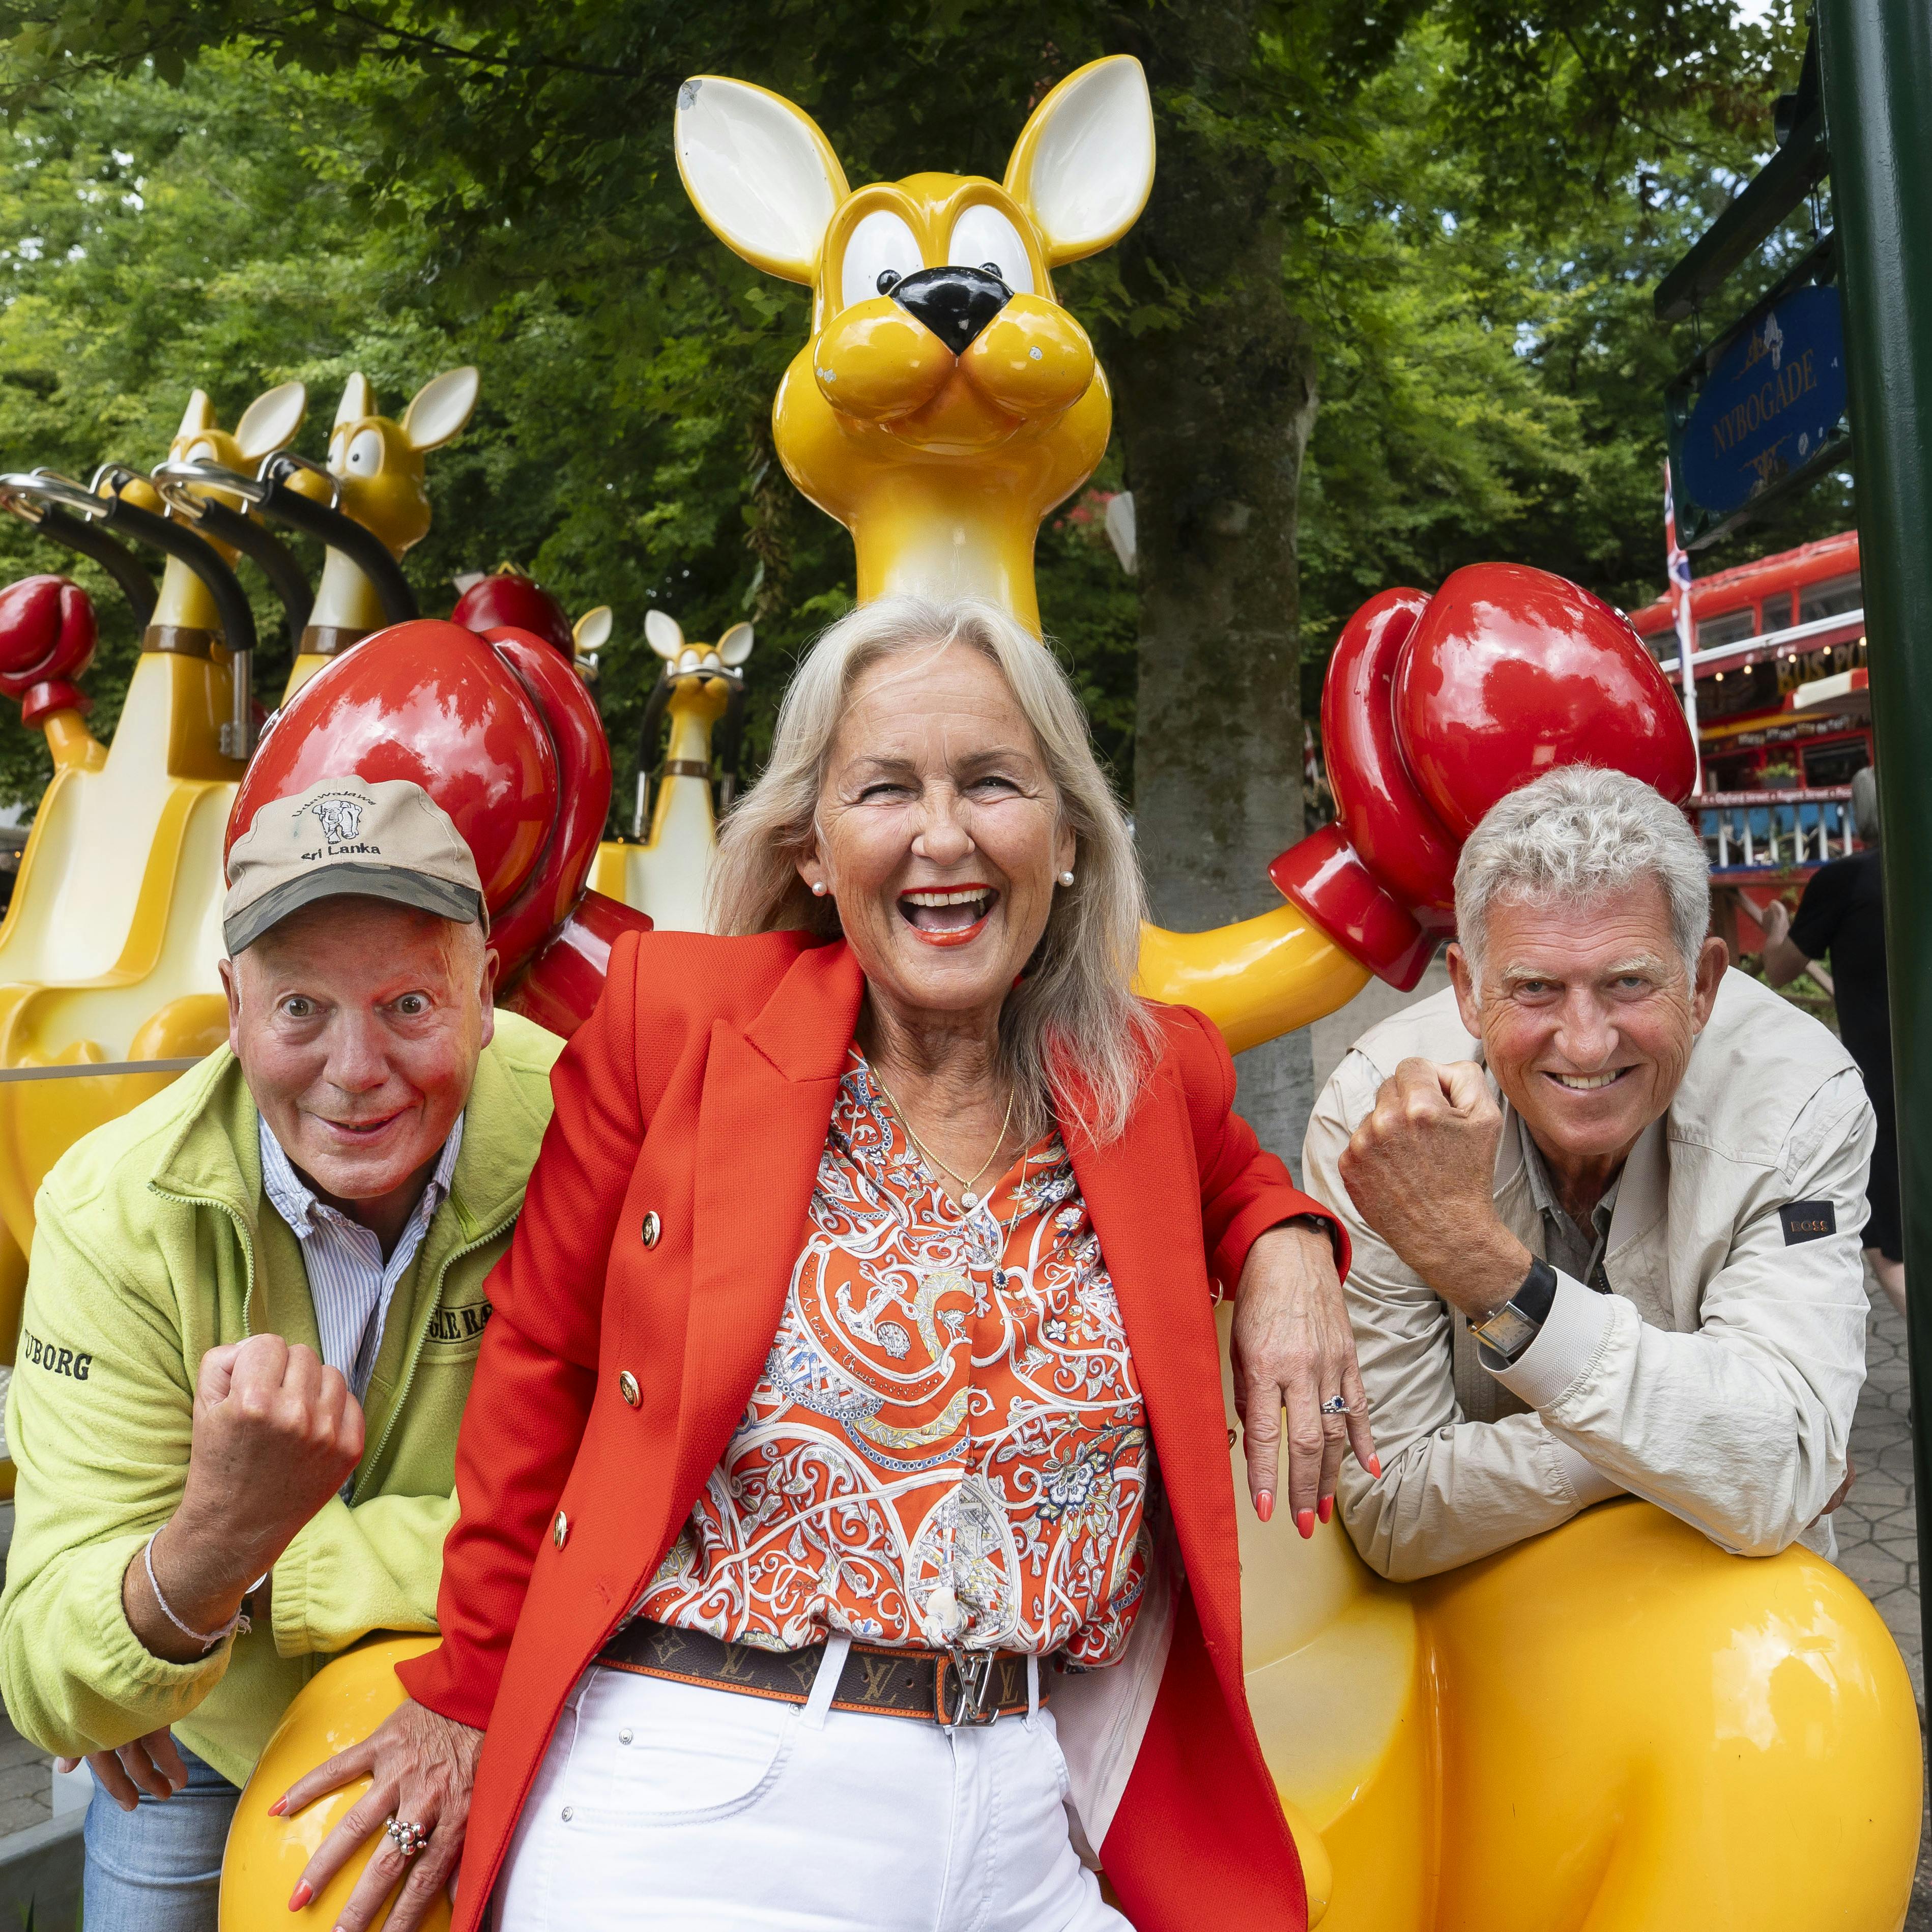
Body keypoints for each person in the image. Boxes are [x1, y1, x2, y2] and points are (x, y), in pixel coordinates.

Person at [275, 595, 1377, 1932]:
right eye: (884, 789)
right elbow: (539, 1366)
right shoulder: (672, 1022)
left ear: (1069, 834)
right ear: (812, 842)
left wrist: (1283, 1240)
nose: (942, 836)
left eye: (990, 782)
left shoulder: (1149, 1075)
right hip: (712, 1795)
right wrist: (465, 1691)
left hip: (1027, 1813)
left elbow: (1234, 1176)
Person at [0, 775, 562, 1932]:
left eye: (408, 1003)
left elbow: (629, 1508)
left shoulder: (586, 1128)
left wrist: (247, 1575)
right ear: (232, 1005)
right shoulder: (114, 1210)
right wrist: (203, 1559)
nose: (355, 1071)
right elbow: (51, 1670)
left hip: (505, 1685)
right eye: (301, 1007)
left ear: (485, 993)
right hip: (209, 1727)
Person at [1303, 764, 1871, 1582]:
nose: (1585, 1042)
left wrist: (1489, 1275)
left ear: (1704, 984)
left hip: (1740, 1619)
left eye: (1628, 983)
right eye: (1534, 988)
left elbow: (1777, 1469)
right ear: (1467, 990)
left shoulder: (1799, 1101)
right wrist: (1700, 1448)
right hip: (1480, 1626)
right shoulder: (1380, 1115)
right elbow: (1393, 1514)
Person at [1761, 766, 1902, 1316]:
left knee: (1883, 1235)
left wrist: (1774, 923)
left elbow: (1779, 968)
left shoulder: (1844, 880)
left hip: (1884, 1085)